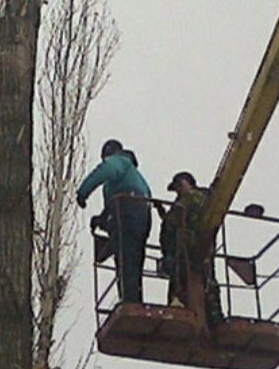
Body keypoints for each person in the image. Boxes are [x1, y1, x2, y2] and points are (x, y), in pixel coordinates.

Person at [76, 139, 152, 303]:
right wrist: (102, 220)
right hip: (140, 215)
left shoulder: (119, 162)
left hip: (128, 210)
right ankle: (133, 298)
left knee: (125, 258)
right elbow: (112, 208)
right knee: (133, 258)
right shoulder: (133, 176)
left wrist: (83, 192)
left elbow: (105, 171)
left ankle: (129, 300)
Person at [159, 171, 223, 325]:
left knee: (180, 281)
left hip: (187, 250)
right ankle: (214, 316)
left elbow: (173, 220)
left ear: (187, 183)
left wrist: (166, 218)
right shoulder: (206, 199)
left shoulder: (191, 198)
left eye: (179, 186)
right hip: (200, 250)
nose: (178, 191)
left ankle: (180, 307)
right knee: (207, 282)